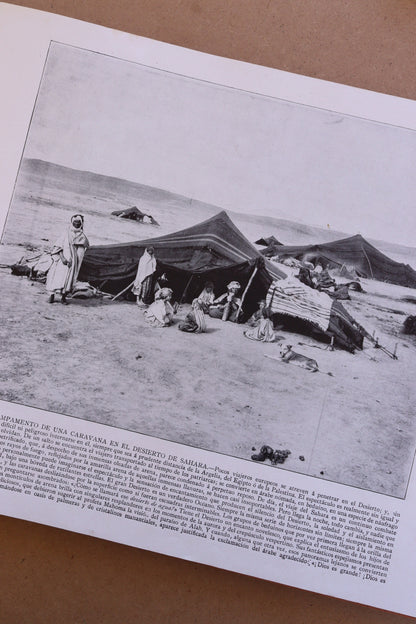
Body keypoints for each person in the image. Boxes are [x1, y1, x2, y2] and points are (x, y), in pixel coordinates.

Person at [46, 214, 89, 304]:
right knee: (56, 277)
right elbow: (58, 247)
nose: (76, 224)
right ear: (72, 222)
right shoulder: (65, 233)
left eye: (78, 223)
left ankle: (63, 297)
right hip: (62, 261)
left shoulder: (82, 237)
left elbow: (80, 253)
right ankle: (52, 296)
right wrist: (63, 258)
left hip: (72, 263)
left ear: (81, 224)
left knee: (68, 279)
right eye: (75, 222)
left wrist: (73, 262)